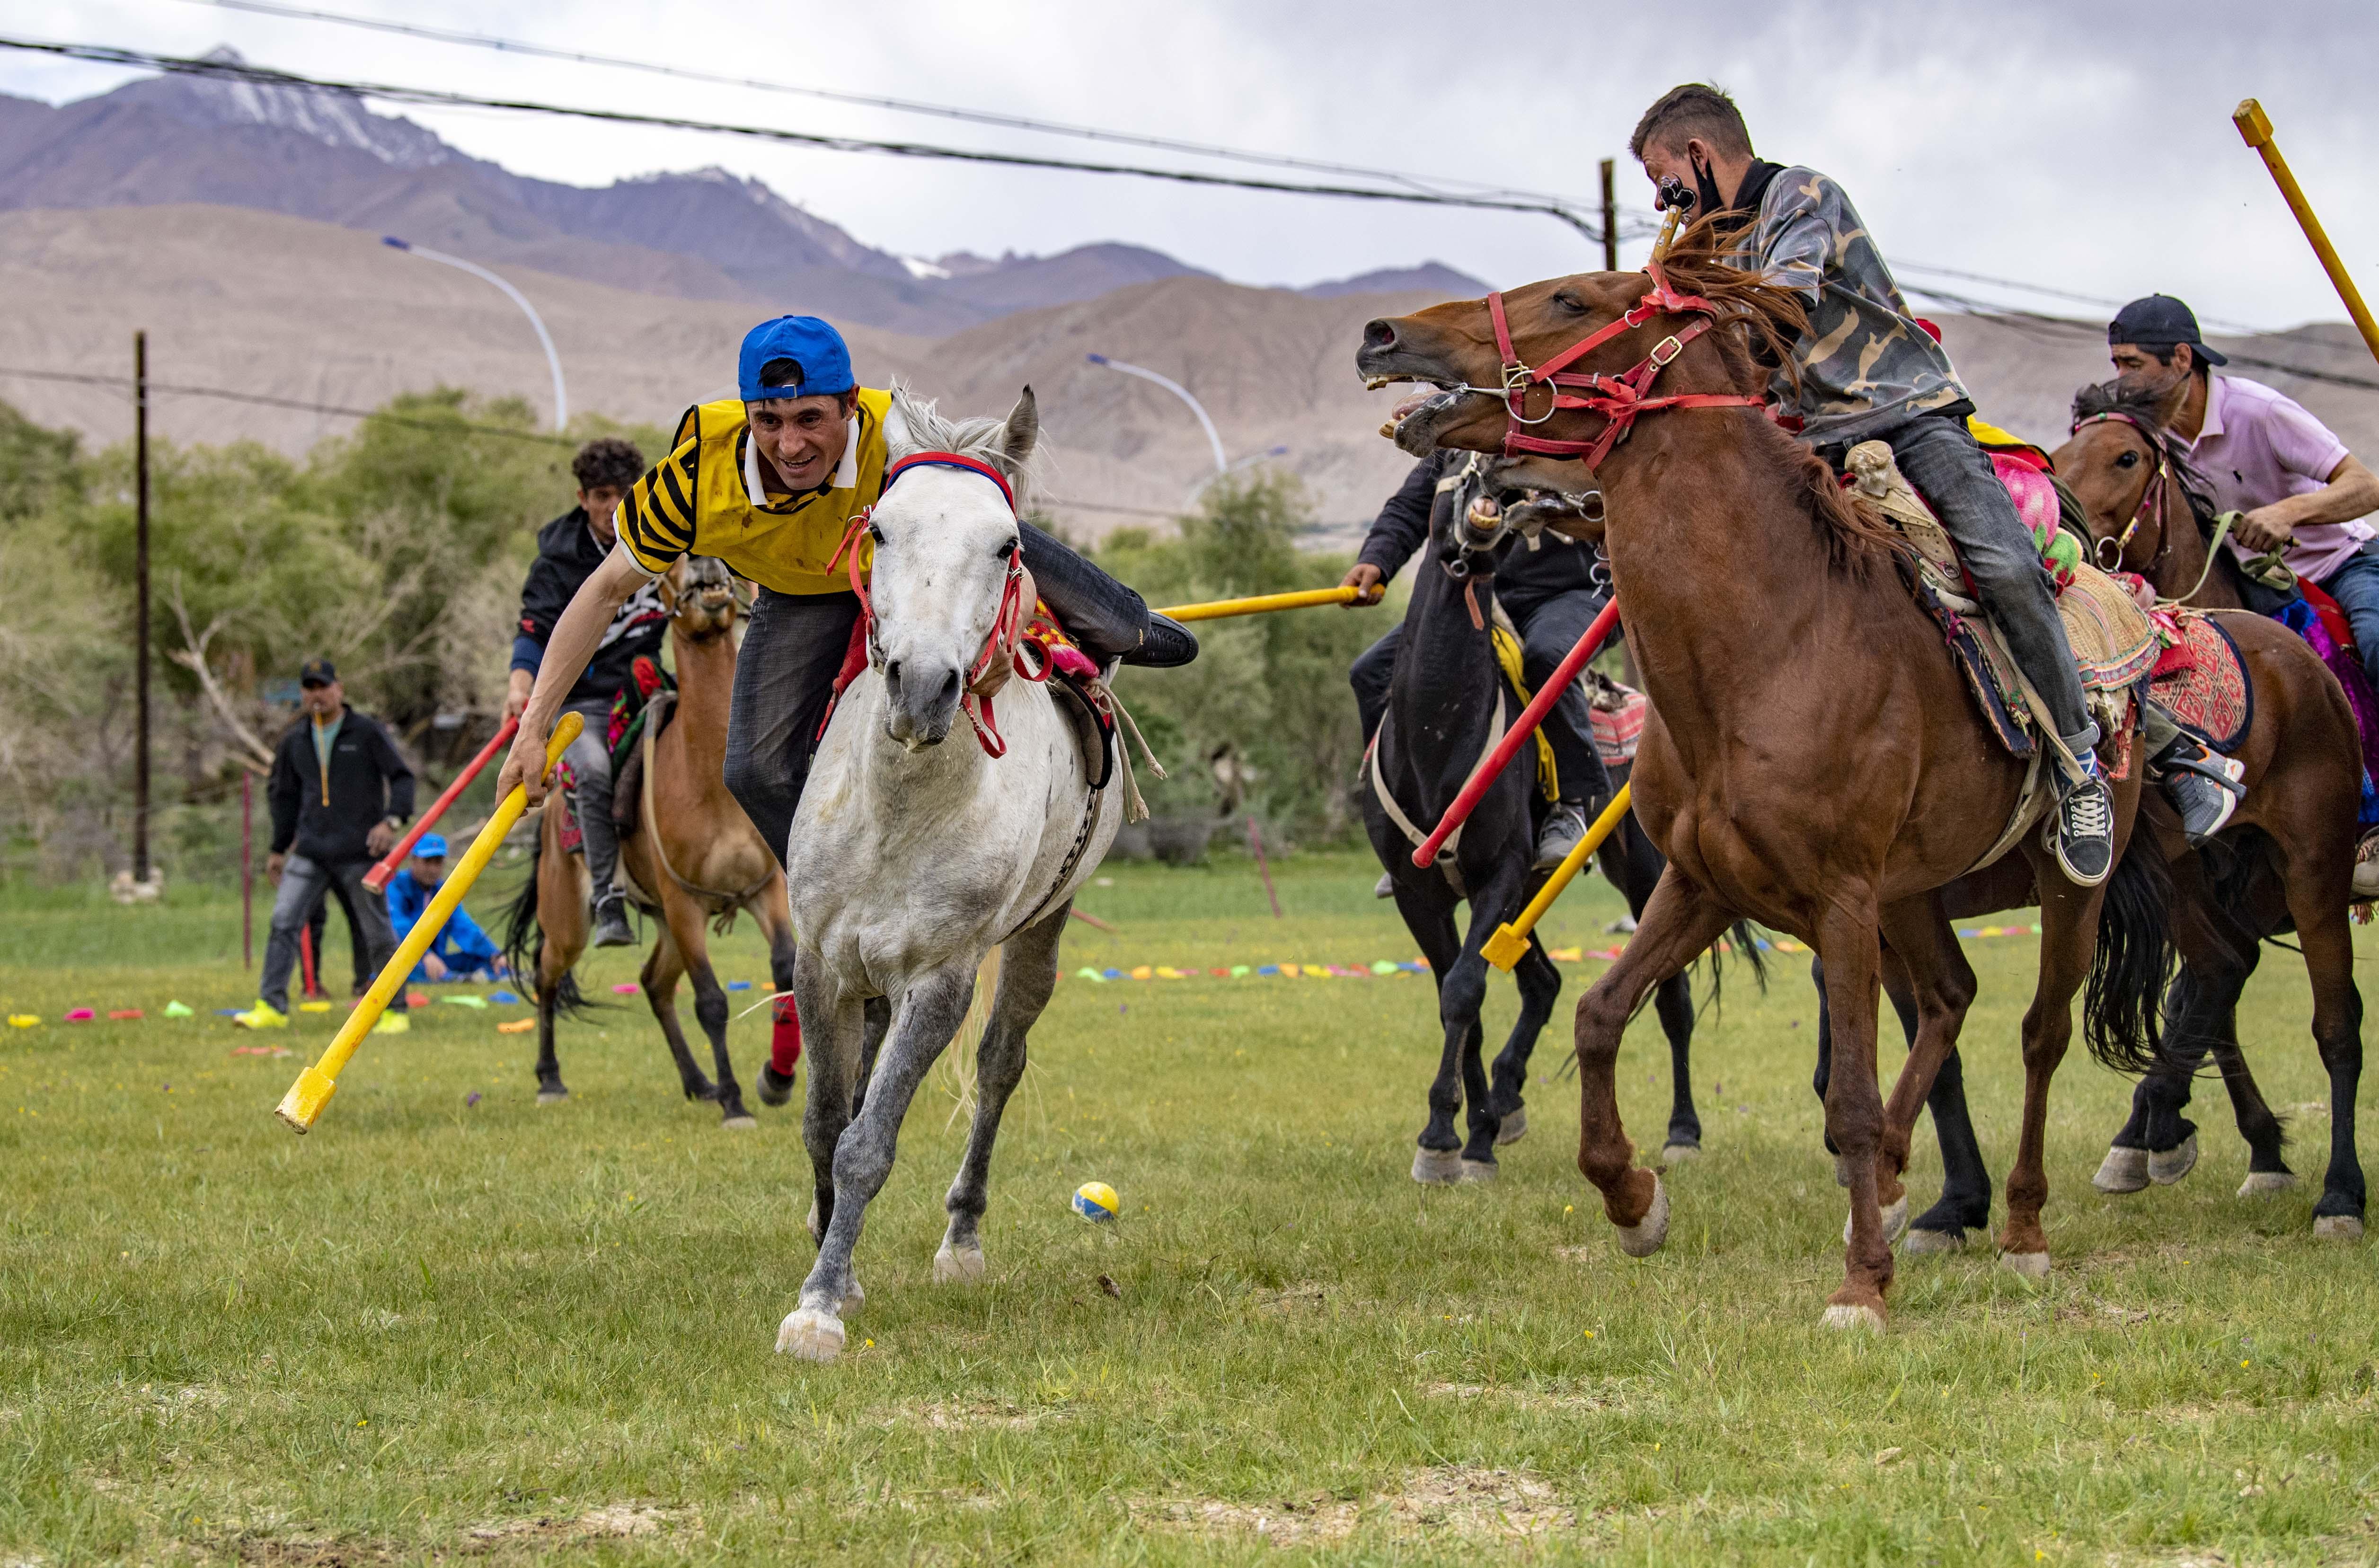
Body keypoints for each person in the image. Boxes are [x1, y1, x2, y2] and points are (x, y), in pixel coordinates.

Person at [494, 315, 1195, 1098]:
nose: (790, 442)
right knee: (752, 764)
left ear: (849, 410)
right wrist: (531, 729)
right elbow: (599, 594)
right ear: (747, 414)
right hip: (799, 595)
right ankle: (845, 919)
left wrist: (1004, 631)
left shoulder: (895, 441)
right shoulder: (694, 477)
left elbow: (986, 545)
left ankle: (1126, 620)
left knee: (1112, 618)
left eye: (810, 419)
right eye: (769, 421)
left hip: (897, 576)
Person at [1630, 84, 2123, 882]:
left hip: (1904, 413)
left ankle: (2078, 766)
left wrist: (1684, 318)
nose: (1662, 201)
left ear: (1699, 154)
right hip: (1802, 437)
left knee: (2001, 565)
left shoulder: (1801, 194)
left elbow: (1782, 310)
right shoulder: (1708, 240)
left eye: (1666, 181)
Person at [1343, 451, 1613, 887]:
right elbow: (1412, 505)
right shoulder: (1462, 439)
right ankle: (1400, 822)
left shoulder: (1571, 424)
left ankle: (1570, 808)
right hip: (1488, 594)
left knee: (1547, 659)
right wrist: (1377, 560)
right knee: (1371, 672)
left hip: (1575, 594)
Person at [2109, 293, 2379, 691]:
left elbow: (2367, 487)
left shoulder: (2259, 410)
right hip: (2240, 587)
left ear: (2182, 359)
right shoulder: (2147, 438)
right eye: (2116, 364)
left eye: (2133, 364)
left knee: (2375, 642)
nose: (2121, 379)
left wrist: (2286, 513)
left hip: (2338, 567)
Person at [509, 436, 667, 950]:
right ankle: (607, 894)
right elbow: (533, 632)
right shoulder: (557, 560)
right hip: (585, 703)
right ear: (583, 498)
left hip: (649, 689)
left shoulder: (667, 534)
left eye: (624, 493)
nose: (613, 507)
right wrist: (521, 686)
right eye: (601, 495)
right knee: (594, 769)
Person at [235, 658, 416, 1032]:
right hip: (310, 852)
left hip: (361, 852)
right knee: (283, 921)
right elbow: (282, 796)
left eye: (323, 687)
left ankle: (394, 1010)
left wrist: (391, 820)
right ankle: (271, 1007)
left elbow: (402, 778)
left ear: (339, 689)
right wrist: (277, 848)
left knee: (378, 932)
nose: (317, 695)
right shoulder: (295, 740)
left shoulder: (366, 732)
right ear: (303, 694)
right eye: (310, 688)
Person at [383, 834, 507, 985]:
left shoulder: (444, 891)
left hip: (437, 960)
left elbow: (465, 928)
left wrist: (494, 954)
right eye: (427, 862)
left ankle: (500, 972)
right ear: (413, 860)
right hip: (406, 959)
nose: (433, 869)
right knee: (397, 968)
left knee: (482, 960)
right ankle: (456, 978)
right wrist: (424, 956)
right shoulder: (397, 886)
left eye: (438, 862)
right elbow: (398, 926)